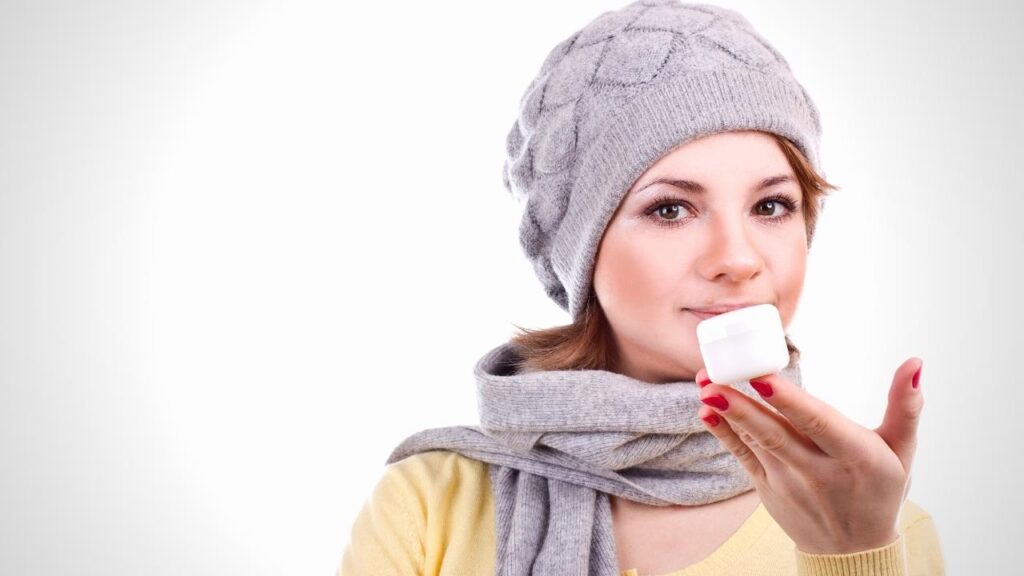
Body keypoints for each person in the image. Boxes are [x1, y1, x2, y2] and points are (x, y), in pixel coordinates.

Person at [337, 1, 946, 574]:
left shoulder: (881, 529)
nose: (737, 259)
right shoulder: (427, 506)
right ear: (582, 248)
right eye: (671, 210)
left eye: (771, 205)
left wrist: (850, 554)